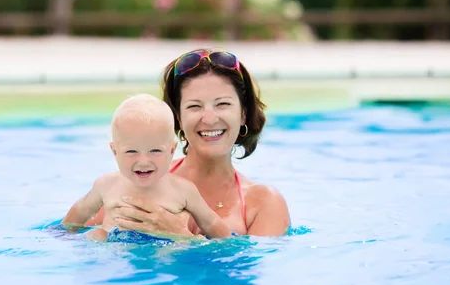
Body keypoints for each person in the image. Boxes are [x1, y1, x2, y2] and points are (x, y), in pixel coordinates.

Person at [77, 49, 291, 238]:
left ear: (243, 114)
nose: (209, 119)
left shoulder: (264, 202)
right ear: (178, 117)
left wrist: (181, 236)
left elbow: (250, 269)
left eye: (223, 104)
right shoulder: (143, 178)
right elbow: (76, 234)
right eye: (194, 106)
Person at [62, 93, 232, 241]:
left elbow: (211, 222)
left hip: (162, 254)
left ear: (172, 151)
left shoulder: (183, 190)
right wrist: (61, 235)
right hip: (117, 255)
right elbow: (80, 211)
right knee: (97, 235)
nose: (143, 161)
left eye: (155, 151)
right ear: (114, 151)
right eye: (132, 151)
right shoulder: (107, 185)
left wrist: (226, 243)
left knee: (179, 246)